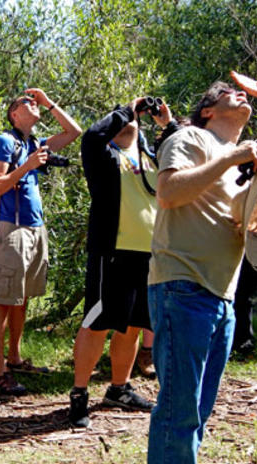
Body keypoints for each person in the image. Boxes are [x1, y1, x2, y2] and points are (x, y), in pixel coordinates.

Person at [147, 71, 257, 464]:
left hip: (222, 297)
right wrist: (230, 158)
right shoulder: (190, 139)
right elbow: (168, 193)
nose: (240, 94)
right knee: (179, 412)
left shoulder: (249, 156)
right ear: (209, 111)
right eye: (230, 93)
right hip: (181, 286)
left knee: (196, 414)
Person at [69, 98, 177, 427]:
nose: (130, 123)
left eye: (135, 120)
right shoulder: (103, 156)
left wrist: (167, 124)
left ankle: (119, 388)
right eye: (122, 120)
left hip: (148, 254)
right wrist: (126, 109)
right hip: (112, 253)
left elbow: (182, 152)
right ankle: (79, 395)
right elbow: (90, 136)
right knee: (97, 323)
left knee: (131, 324)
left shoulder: (151, 157)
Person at [0, 89, 81, 394]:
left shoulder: (34, 143)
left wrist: (47, 100)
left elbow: (74, 132)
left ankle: (14, 357)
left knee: (23, 296)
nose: (33, 105)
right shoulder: (5, 141)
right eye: (26, 103)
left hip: (35, 227)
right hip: (11, 227)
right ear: (14, 114)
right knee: (4, 297)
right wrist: (27, 165)